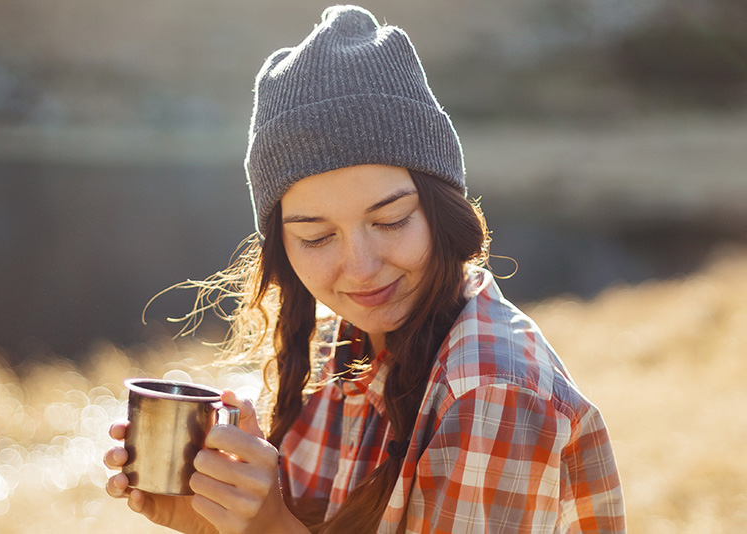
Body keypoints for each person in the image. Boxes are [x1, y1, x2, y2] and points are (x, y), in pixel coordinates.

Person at [104, 5, 626, 533]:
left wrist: (271, 527)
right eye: (318, 237)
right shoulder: (339, 349)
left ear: (439, 211)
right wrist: (213, 521)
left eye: (392, 221)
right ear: (282, 247)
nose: (361, 268)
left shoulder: (490, 390)